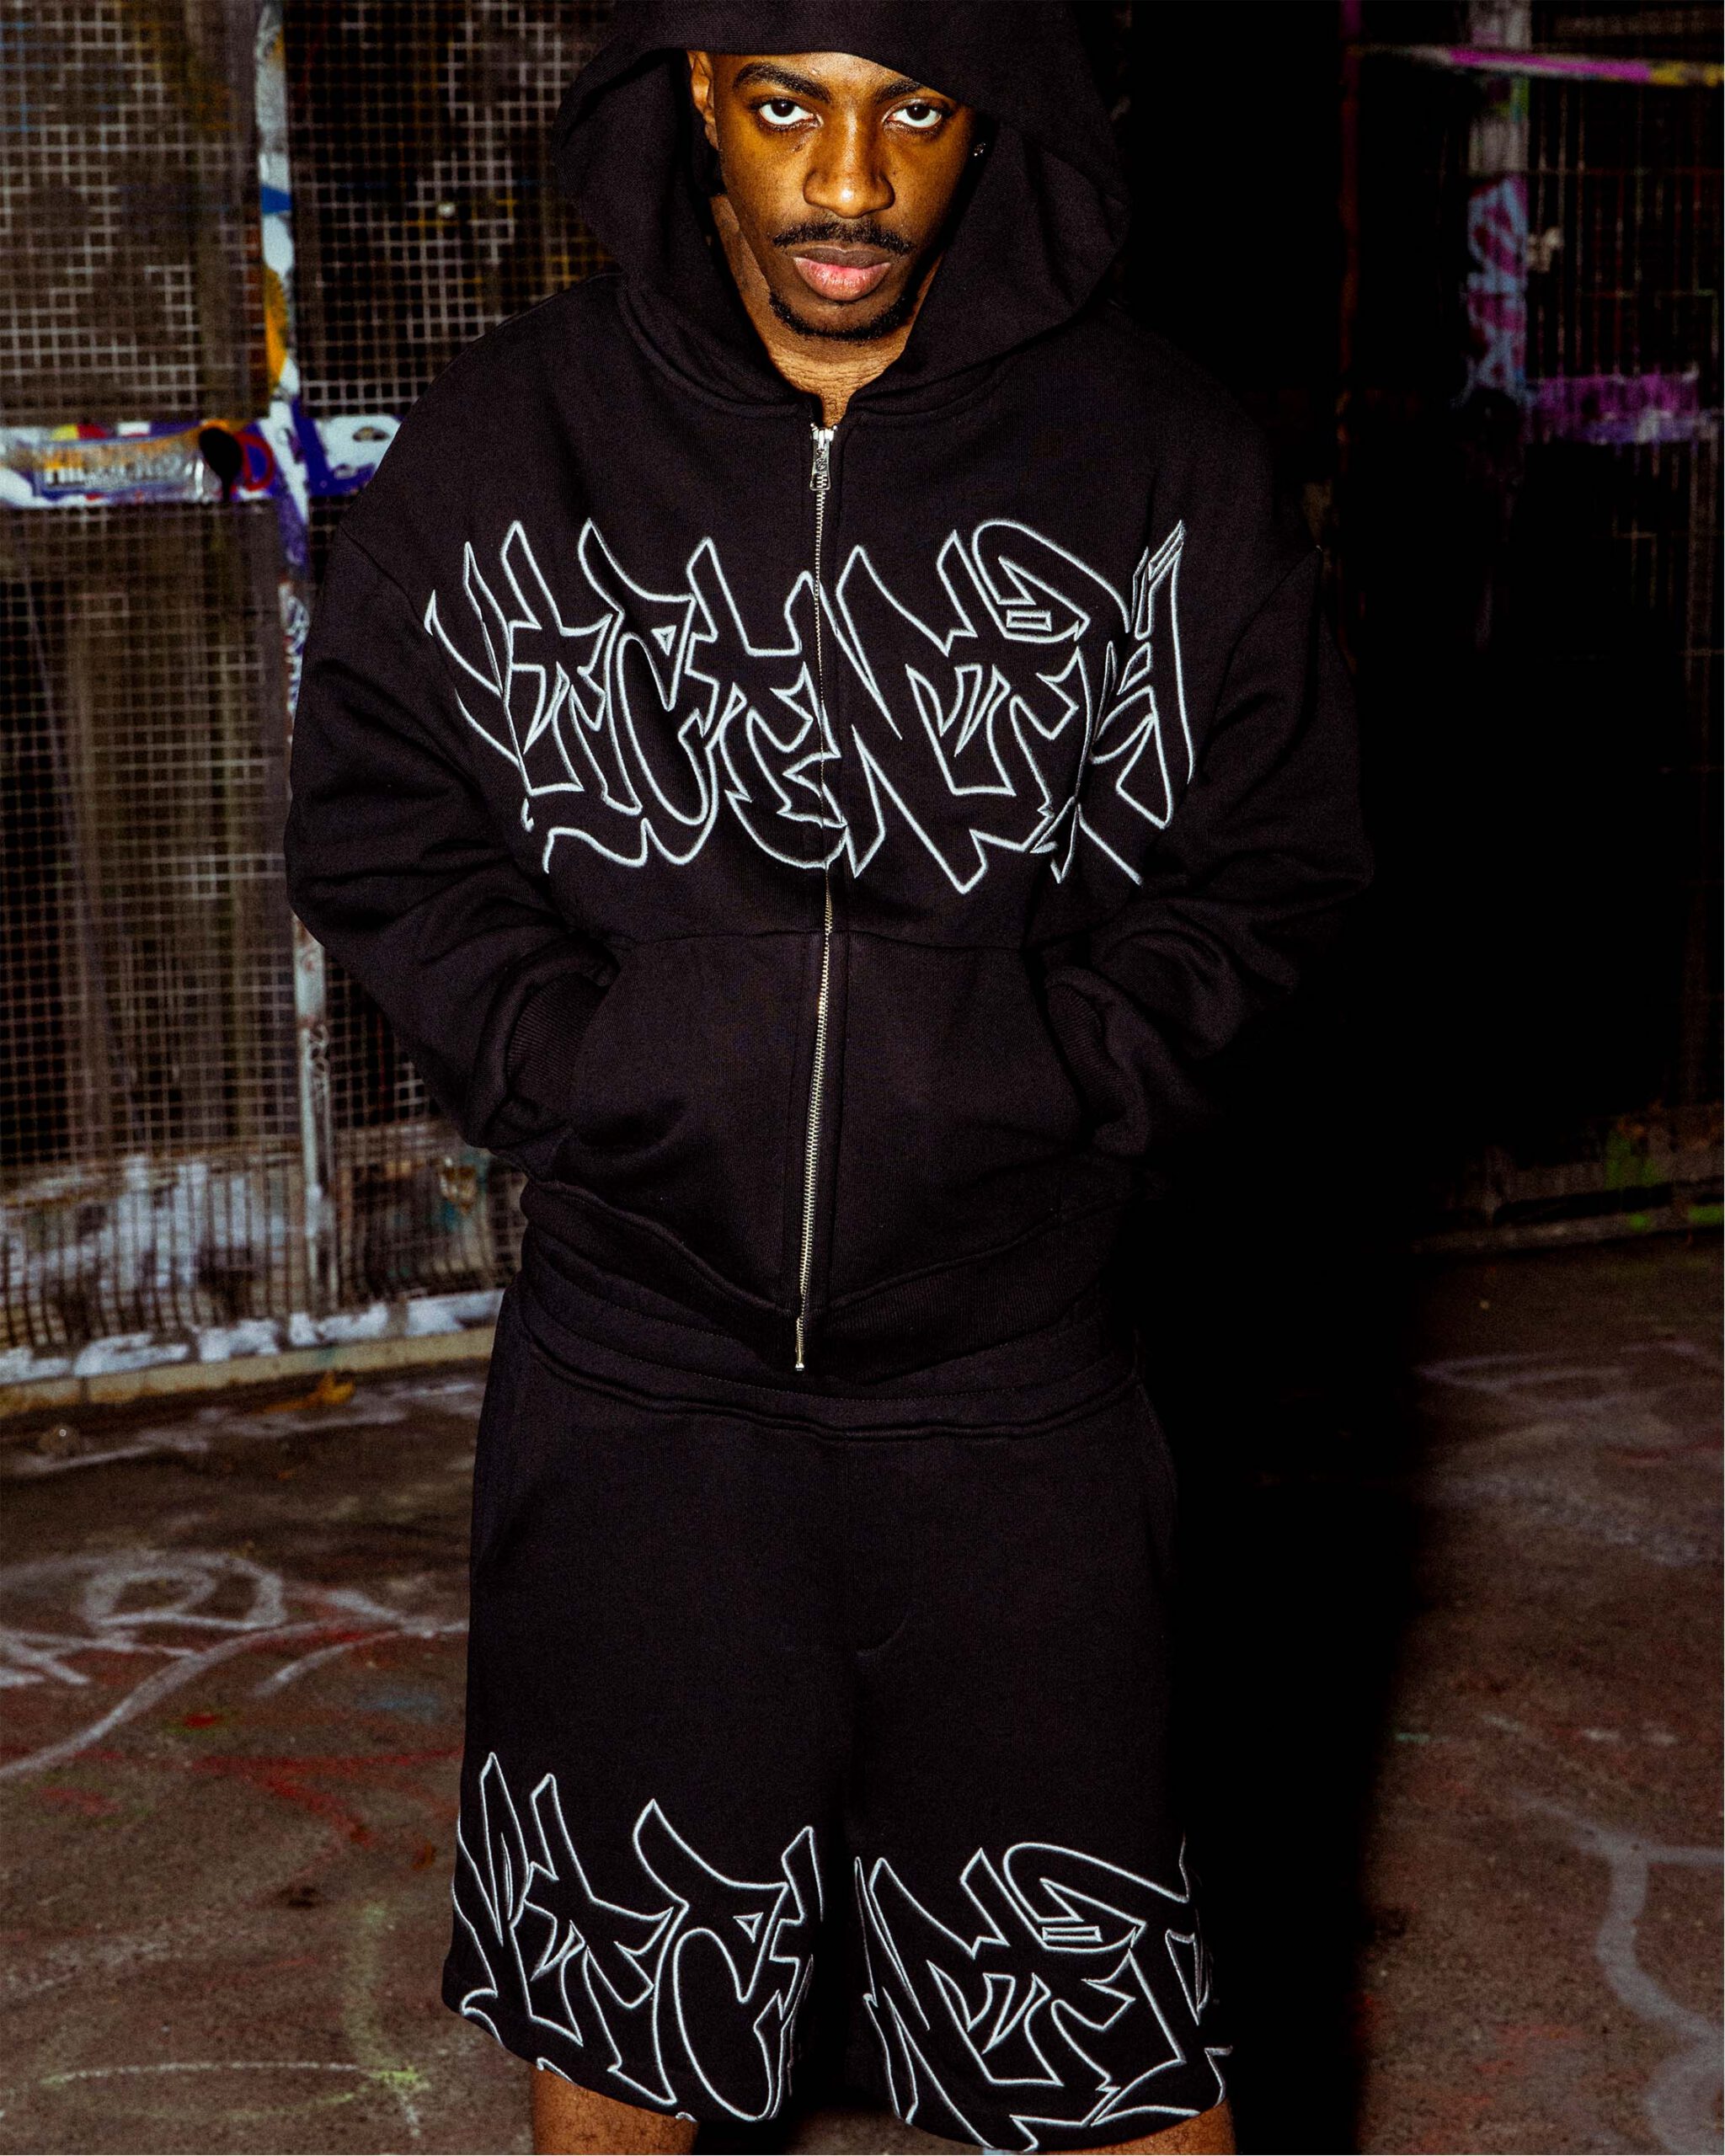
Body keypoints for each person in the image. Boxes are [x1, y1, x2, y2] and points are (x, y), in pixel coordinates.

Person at [284, 6, 1370, 2150]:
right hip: (639, 1375)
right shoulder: (518, 436)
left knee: (1103, 2034)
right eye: (788, 106)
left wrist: (1061, 1077)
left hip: (1013, 1381)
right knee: (622, 2009)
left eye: (912, 113)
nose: (848, 186)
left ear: (992, 123)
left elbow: (1277, 855)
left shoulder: (1156, 455)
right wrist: (589, 1062)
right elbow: (378, 819)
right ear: (700, 92)